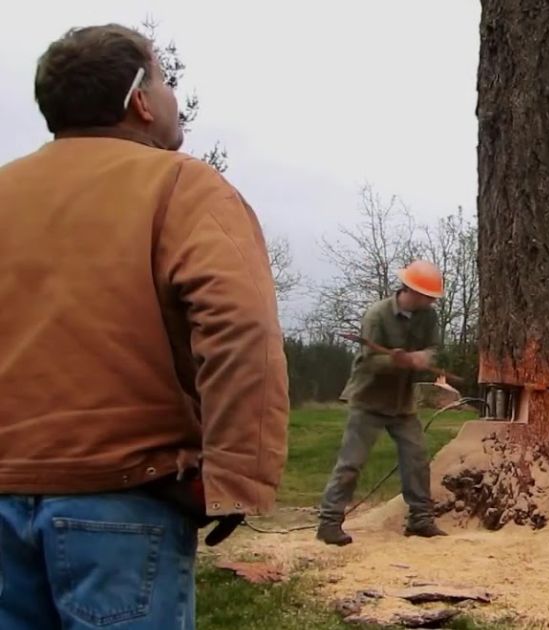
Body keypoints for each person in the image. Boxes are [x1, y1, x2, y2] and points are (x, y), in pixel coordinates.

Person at [0, 24, 289, 629]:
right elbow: (239, 324)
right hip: (124, 501)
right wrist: (233, 478)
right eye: (164, 79)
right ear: (139, 100)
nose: (171, 95)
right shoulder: (181, 185)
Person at [317, 260, 448, 545]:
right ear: (409, 290)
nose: (428, 302)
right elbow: (369, 361)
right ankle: (329, 522)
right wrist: (394, 360)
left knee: (416, 459)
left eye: (431, 298)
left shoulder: (428, 317)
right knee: (351, 463)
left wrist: (424, 358)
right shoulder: (376, 315)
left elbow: (434, 349)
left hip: (402, 402)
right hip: (369, 399)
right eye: (426, 296)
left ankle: (420, 520)